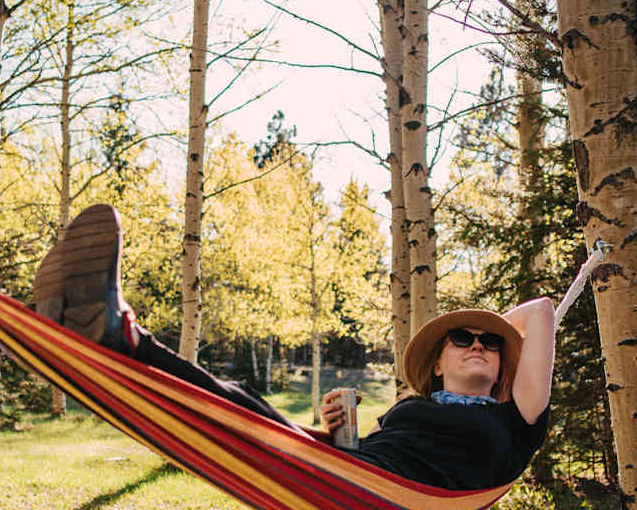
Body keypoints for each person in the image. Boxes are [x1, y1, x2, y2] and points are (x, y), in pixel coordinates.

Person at [34, 204, 554, 491]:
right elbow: (354, 453)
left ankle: (116, 331)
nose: (478, 345)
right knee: (240, 401)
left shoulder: (517, 417)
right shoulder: (410, 407)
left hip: (380, 499)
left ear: (506, 364)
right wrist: (334, 433)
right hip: (346, 473)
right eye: (462, 338)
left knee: (244, 406)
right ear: (437, 363)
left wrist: (501, 346)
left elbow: (542, 311)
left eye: (490, 344)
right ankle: (110, 334)